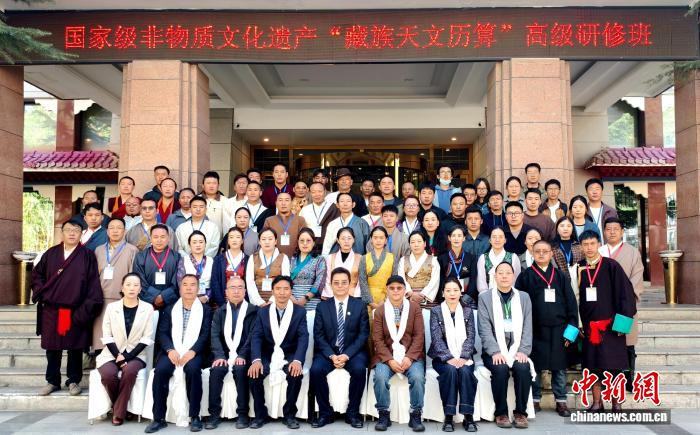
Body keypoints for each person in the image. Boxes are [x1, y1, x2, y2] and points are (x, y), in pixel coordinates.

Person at [31, 219, 103, 397]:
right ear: (62, 232)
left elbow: (93, 283)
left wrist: (86, 308)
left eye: (76, 230)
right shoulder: (51, 253)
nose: (72, 233)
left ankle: (73, 380)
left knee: (75, 348)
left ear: (81, 233)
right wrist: (42, 293)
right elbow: (37, 275)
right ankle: (52, 381)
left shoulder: (87, 255)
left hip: (75, 309)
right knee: (52, 348)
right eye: (68, 230)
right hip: (53, 310)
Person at [515, 240, 577, 416]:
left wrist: (571, 332)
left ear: (551, 254)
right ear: (532, 253)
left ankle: (561, 401)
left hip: (559, 329)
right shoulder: (525, 276)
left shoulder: (560, 276)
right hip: (534, 330)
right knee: (535, 367)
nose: (541, 254)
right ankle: (534, 400)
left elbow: (572, 305)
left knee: (559, 367)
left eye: (545, 251)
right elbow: (518, 305)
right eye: (538, 251)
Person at [577, 230, 636, 412]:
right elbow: (574, 298)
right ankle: (597, 402)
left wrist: (622, 325)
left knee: (614, 366)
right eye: (585, 244)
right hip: (589, 327)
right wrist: (579, 324)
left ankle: (616, 403)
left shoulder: (611, 266)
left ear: (599, 244)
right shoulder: (578, 268)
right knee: (592, 366)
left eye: (592, 243)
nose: (589, 248)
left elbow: (625, 295)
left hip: (611, 326)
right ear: (581, 247)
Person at [145, 275, 213, 433]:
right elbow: (162, 333)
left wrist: (193, 351)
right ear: (180, 288)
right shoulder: (170, 308)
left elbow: (205, 335)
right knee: (160, 371)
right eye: (185, 285)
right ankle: (158, 418)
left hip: (194, 351)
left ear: (198, 288)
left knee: (193, 370)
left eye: (193, 285)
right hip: (172, 351)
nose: (189, 288)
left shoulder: (206, 310)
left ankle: (195, 417)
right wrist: (170, 350)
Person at [310, 267, 370, 428]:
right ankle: (325, 413)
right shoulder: (322, 307)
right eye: (336, 283)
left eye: (344, 282)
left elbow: (363, 334)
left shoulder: (359, 306)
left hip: (353, 352)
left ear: (350, 284)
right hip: (329, 352)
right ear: (331, 284)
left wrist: (346, 355)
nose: (340, 286)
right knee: (316, 370)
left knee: (359, 369)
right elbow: (318, 335)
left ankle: (353, 413)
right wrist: (332, 355)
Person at [477, 262, 534, 429]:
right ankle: (501, 413)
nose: (504, 276)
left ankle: (521, 413)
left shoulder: (524, 297)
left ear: (513, 276)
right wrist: (495, 351)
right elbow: (484, 329)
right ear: (495, 276)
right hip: (494, 351)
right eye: (500, 273)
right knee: (500, 369)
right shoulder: (485, 298)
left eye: (508, 273)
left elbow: (528, 327)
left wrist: (523, 350)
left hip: (517, 349)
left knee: (523, 368)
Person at [248, 276, 309, 429]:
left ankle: (289, 415)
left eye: (286, 289)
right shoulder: (263, 312)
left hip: (289, 355)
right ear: (272, 291)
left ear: (291, 291)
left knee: (295, 374)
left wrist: (297, 360)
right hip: (268, 354)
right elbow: (256, 336)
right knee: (254, 373)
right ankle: (260, 415)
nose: (282, 292)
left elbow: (303, 337)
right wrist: (256, 360)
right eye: (278, 289)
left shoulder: (299, 312)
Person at [97, 273, 154, 426]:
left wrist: (127, 357)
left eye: (136, 285)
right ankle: (122, 408)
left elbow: (146, 338)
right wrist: (118, 355)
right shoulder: (111, 308)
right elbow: (107, 336)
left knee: (129, 371)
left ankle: (118, 413)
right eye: (128, 285)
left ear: (140, 289)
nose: (132, 288)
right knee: (108, 374)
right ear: (122, 288)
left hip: (136, 354)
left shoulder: (147, 308)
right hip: (111, 353)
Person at [371, 275, 426, 432]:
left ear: (404, 290)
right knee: (380, 377)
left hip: (411, 356)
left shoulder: (414, 309)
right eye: (392, 288)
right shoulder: (379, 311)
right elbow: (378, 340)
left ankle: (415, 414)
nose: (395, 291)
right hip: (386, 356)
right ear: (387, 290)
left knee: (417, 377)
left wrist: (409, 357)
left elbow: (419, 336)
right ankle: (383, 414)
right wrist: (389, 360)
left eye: (399, 288)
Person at [206, 276, 259, 430]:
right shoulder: (219, 312)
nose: (236, 291)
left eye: (240, 287)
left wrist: (242, 355)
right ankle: (214, 414)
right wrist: (219, 356)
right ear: (226, 292)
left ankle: (242, 414)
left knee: (241, 369)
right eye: (232, 288)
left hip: (245, 354)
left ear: (245, 291)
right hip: (224, 354)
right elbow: (214, 335)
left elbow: (253, 336)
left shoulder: (254, 311)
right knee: (216, 369)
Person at [599, 217, 644, 391]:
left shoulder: (632, 252)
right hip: (602, 306)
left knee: (627, 342)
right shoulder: (599, 251)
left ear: (622, 232)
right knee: (606, 343)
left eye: (615, 229)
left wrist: (626, 301)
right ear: (604, 232)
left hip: (625, 305)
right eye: (608, 229)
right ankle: (607, 379)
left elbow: (636, 278)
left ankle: (628, 379)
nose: (612, 232)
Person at [428, 278, 478, 432]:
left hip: (464, 357)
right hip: (442, 358)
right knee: (450, 371)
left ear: (461, 292)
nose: (452, 294)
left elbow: (471, 336)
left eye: (455, 290)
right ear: (443, 293)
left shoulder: (468, 311)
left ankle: (468, 416)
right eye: (448, 290)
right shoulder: (436, 311)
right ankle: (448, 416)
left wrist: (463, 357)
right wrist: (449, 358)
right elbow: (436, 338)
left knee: (465, 371)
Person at [93, 217, 139, 352]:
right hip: (101, 298)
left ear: (125, 231)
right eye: (112, 228)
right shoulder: (99, 250)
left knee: (120, 335)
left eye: (119, 228)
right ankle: (99, 358)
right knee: (101, 334)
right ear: (107, 231)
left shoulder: (132, 250)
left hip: (121, 298)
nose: (115, 231)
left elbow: (133, 275)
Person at [133, 224, 181, 309]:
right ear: (150, 238)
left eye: (162, 237)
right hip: (147, 303)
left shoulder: (177, 257)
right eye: (155, 237)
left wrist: (164, 296)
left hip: (170, 303)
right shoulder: (140, 256)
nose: (159, 240)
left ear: (168, 238)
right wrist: (154, 296)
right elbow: (139, 280)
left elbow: (178, 281)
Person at [245, 228, 291, 306]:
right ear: (259, 242)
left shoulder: (283, 257)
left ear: (275, 241)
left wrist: (272, 301)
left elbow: (285, 281)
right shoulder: (253, 257)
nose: (267, 242)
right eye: (263, 239)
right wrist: (260, 302)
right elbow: (250, 282)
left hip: (277, 300)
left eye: (270, 239)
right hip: (257, 300)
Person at [397, 231, 440, 309]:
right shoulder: (403, 260)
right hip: (409, 297)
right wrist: (410, 293)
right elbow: (401, 279)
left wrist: (423, 294)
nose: (416, 245)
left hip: (427, 298)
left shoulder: (433, 260)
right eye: (413, 242)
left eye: (419, 241)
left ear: (425, 243)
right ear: (409, 244)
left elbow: (435, 280)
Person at [437, 225, 478, 305]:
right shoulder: (442, 258)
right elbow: (440, 281)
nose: (456, 239)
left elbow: (473, 280)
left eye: (459, 236)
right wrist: (445, 298)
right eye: (453, 236)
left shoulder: (471, 258)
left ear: (464, 238)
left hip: (466, 298)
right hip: (447, 297)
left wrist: (466, 299)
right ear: (449, 238)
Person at [360, 227, 397, 311]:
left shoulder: (392, 258)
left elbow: (394, 280)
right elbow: (362, 282)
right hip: (369, 299)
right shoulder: (364, 258)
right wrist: (370, 302)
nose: (378, 240)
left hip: (387, 298)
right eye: (375, 238)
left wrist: (385, 300)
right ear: (371, 239)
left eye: (381, 238)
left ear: (386, 240)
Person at [290, 228, 327, 312]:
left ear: (313, 243)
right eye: (302, 241)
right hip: (292, 300)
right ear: (298, 242)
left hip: (311, 300)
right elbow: (286, 280)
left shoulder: (319, 259)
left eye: (308, 241)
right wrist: (292, 298)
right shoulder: (292, 259)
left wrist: (306, 298)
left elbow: (320, 281)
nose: (305, 243)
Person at [210, 227, 248, 307]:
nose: (234, 240)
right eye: (231, 237)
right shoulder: (218, 259)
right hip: (223, 301)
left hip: (243, 301)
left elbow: (250, 283)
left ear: (242, 241)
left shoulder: (248, 259)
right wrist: (222, 303)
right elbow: (215, 282)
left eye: (238, 237)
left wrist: (244, 300)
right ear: (228, 241)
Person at [299, 181, 340, 255]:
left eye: (320, 191)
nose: (317, 194)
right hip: (310, 247)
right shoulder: (305, 210)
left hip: (330, 247)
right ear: (310, 193)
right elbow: (301, 229)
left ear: (325, 192)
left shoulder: (333, 208)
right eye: (313, 192)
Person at [476, 227, 521, 293]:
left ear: (505, 240)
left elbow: (516, 280)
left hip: (509, 295)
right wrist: (486, 296)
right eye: (494, 237)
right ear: (490, 240)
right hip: (487, 295)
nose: (497, 240)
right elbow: (481, 282)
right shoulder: (483, 258)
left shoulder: (513, 257)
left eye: (500, 237)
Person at [263, 192, 307, 258]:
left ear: (291, 203)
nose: (283, 203)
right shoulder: (269, 220)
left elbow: (305, 239)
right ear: (276, 203)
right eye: (280, 200)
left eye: (287, 200)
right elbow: (265, 241)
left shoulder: (300, 220)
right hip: (274, 258)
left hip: (296, 258)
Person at [176, 231, 214, 305]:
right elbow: (180, 282)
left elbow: (214, 282)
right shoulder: (184, 260)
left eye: (201, 242)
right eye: (194, 242)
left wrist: (207, 297)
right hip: (188, 300)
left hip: (207, 301)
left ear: (205, 244)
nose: (198, 245)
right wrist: (191, 298)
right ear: (189, 245)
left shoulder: (211, 260)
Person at [323, 227, 362, 298]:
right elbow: (327, 280)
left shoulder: (360, 258)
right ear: (338, 240)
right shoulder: (330, 258)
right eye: (343, 238)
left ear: (353, 239)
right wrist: (333, 297)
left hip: (353, 296)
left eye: (349, 238)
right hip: (333, 296)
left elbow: (361, 283)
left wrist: (354, 296)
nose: (346, 241)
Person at [552, 216, 583, 284]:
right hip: (558, 281)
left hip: (578, 281)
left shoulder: (579, 246)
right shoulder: (552, 247)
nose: (565, 228)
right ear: (557, 229)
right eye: (562, 226)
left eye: (569, 226)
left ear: (572, 228)